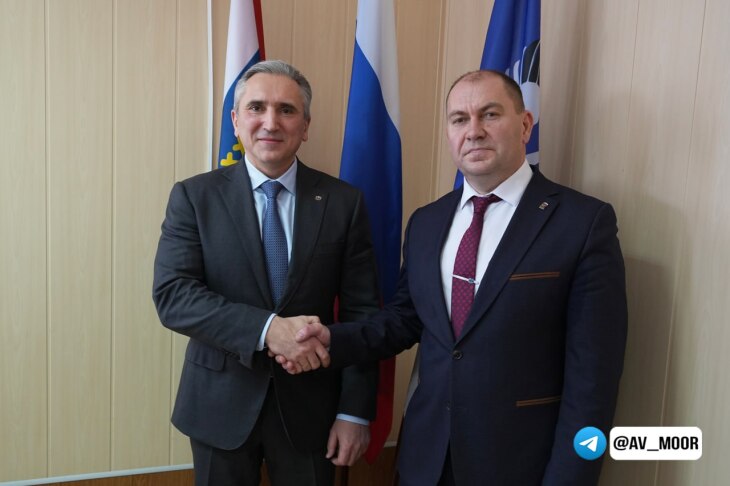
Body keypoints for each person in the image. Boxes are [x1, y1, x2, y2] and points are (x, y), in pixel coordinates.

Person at [279, 70, 628, 485]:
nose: (474, 131)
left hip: (521, 466)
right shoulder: (427, 222)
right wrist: (332, 339)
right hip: (425, 459)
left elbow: (593, 381)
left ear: (525, 125)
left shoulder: (582, 223)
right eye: (460, 119)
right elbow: (404, 319)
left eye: (490, 114)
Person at [152, 60, 380, 486]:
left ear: (305, 125)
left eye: (286, 110)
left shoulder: (343, 203)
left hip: (313, 412)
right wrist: (268, 330)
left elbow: (362, 314)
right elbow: (174, 297)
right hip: (218, 408)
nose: (271, 122)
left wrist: (354, 411)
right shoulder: (194, 197)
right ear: (236, 121)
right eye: (256, 108)